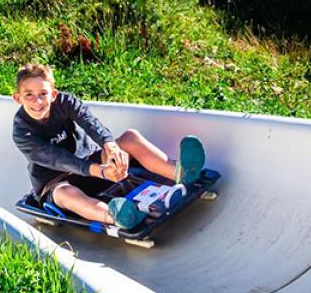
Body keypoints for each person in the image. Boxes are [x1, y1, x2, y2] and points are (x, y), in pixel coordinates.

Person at [11, 63, 205, 230]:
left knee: (130, 138)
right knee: (66, 195)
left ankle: (180, 173)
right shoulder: (21, 132)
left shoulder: (65, 102)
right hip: (57, 180)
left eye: (43, 94)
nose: (37, 101)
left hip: (92, 164)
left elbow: (90, 123)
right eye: (29, 95)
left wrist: (110, 146)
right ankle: (120, 217)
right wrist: (101, 171)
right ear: (18, 98)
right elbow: (57, 159)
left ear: (53, 94)